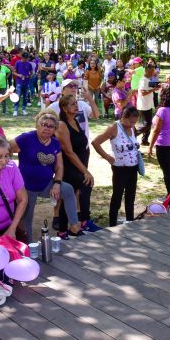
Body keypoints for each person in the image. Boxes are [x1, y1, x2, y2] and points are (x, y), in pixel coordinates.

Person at [13, 111, 81, 239]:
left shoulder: (55, 143)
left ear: (54, 129)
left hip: (46, 184)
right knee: (27, 218)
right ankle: (28, 246)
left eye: (51, 126)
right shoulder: (26, 138)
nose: (47, 128)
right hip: (26, 187)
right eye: (44, 124)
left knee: (68, 190)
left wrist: (57, 182)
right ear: (37, 125)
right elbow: (7, 149)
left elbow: (59, 166)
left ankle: (74, 226)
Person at [54, 94, 97, 236]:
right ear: (64, 108)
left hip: (79, 162)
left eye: (76, 103)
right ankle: (84, 221)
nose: (76, 106)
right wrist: (85, 171)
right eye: (72, 104)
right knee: (86, 183)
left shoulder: (75, 120)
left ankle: (63, 231)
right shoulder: (62, 125)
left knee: (70, 194)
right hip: (68, 166)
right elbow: (69, 151)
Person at [92, 105, 141, 226]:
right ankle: (112, 223)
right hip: (120, 168)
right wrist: (108, 157)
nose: (132, 124)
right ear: (123, 117)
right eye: (130, 121)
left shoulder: (132, 128)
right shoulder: (114, 127)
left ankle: (130, 221)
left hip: (133, 168)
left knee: (131, 196)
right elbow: (95, 142)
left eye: (134, 122)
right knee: (117, 196)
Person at [148, 85, 170, 195]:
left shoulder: (162, 110)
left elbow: (156, 130)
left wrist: (150, 146)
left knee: (167, 171)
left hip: (163, 144)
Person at [136, 64, 158, 145]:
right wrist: (153, 89)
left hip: (148, 105)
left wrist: (157, 87)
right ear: (146, 71)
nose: (153, 72)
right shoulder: (143, 80)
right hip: (143, 105)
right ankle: (135, 133)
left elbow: (152, 89)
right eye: (151, 71)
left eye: (153, 71)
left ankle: (144, 140)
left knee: (148, 123)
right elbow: (143, 92)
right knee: (147, 124)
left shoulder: (149, 80)